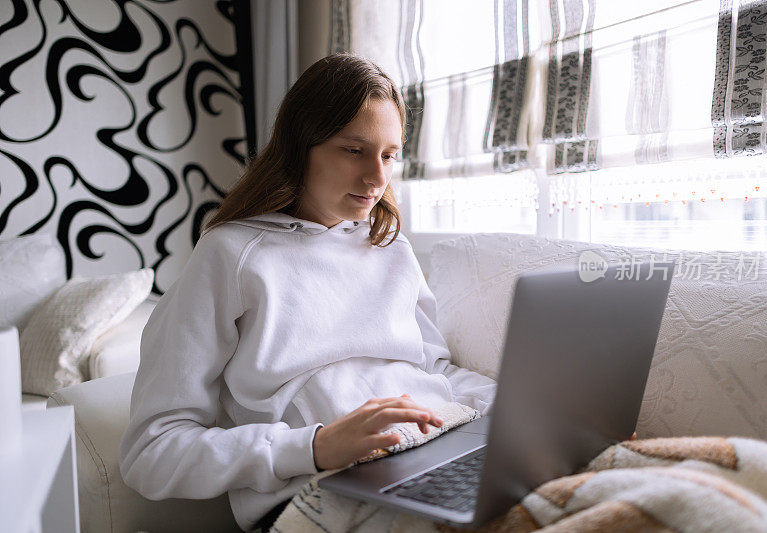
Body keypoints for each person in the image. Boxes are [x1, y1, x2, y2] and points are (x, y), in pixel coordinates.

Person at [118, 53, 497, 532]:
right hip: (315, 490)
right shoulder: (232, 255)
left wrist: (515, 405)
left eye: (388, 155)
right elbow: (151, 452)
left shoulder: (390, 247)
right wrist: (313, 447)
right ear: (300, 147)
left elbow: (432, 369)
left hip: (435, 449)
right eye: (353, 150)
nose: (377, 179)